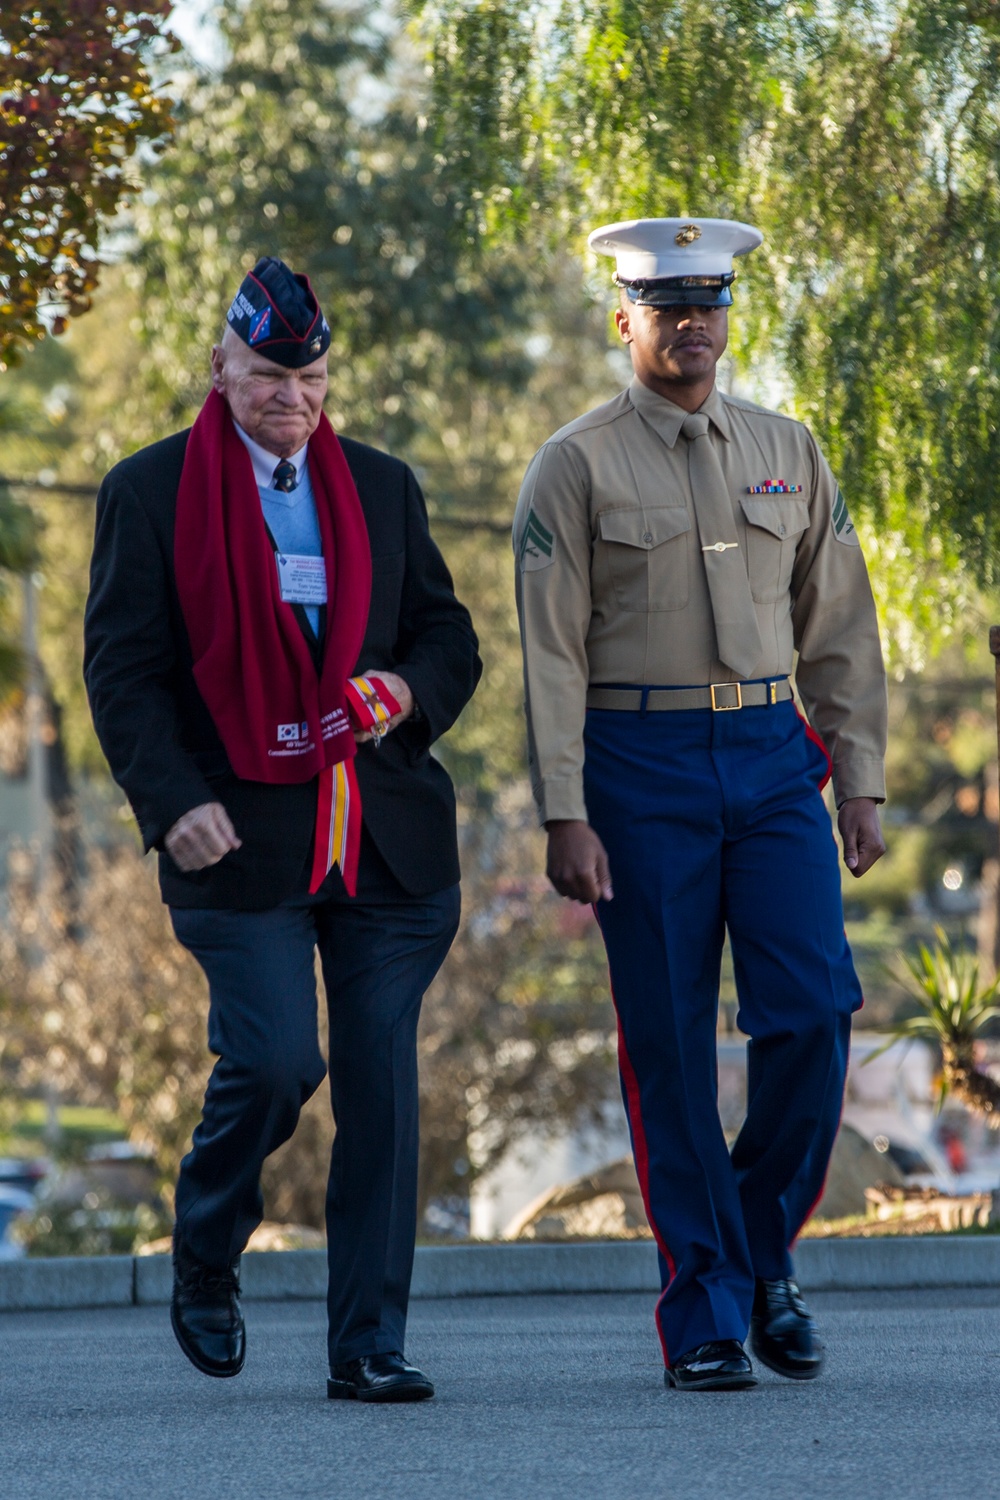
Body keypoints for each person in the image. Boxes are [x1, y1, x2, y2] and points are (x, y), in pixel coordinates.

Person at [84, 256, 481, 1403]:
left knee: (378, 1088)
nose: (289, 398)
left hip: (385, 843)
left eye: (307, 378)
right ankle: (206, 1250)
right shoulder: (149, 491)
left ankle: (367, 1347)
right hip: (237, 838)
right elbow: (123, 674)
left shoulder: (384, 486)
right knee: (272, 1062)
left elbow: (449, 641)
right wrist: (172, 805)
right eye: (266, 376)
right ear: (221, 367)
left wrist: (405, 692)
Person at [513, 218, 886, 1391]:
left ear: (728, 314)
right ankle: (706, 1314)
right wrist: (562, 810)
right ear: (621, 320)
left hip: (776, 761)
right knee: (668, 1047)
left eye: (708, 302)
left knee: (814, 1013)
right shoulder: (573, 463)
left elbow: (839, 628)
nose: (689, 324)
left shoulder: (787, 449)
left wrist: (860, 779)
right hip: (639, 766)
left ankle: (758, 1252)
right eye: (665, 306)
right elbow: (549, 654)